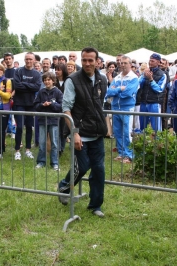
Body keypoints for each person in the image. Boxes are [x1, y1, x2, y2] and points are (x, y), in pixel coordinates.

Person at [58, 47, 108, 218]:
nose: (87, 63)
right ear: (81, 60)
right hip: (80, 133)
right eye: (84, 60)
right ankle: (64, 187)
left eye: (90, 60)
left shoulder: (102, 79)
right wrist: (74, 133)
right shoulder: (72, 80)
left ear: (97, 61)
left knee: (99, 170)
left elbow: (99, 106)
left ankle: (95, 205)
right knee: (82, 167)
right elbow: (66, 109)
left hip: (97, 133)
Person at [105, 56, 139, 163]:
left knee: (127, 132)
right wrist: (120, 89)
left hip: (127, 108)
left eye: (125, 63)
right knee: (117, 132)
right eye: (121, 63)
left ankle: (129, 155)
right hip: (115, 107)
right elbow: (109, 92)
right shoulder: (117, 78)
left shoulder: (133, 78)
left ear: (130, 64)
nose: (122, 65)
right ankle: (121, 153)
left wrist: (117, 91)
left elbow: (128, 93)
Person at [13, 52, 41, 160]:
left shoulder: (37, 74)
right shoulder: (18, 71)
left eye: (30, 59)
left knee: (29, 127)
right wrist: (30, 86)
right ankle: (17, 150)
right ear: (24, 60)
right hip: (19, 103)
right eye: (27, 59)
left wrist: (24, 84)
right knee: (19, 127)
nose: (28, 61)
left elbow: (37, 87)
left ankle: (28, 149)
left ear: (34, 60)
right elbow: (17, 86)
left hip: (31, 104)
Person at [33, 72, 63, 170]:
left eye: (49, 80)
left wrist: (51, 104)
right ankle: (41, 161)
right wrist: (42, 105)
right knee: (42, 142)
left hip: (54, 120)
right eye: (45, 80)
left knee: (54, 142)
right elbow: (36, 105)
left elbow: (61, 106)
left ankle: (54, 163)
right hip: (42, 120)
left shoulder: (58, 92)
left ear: (53, 81)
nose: (47, 82)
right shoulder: (41, 92)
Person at [138, 53, 167, 132]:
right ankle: (142, 142)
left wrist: (151, 80)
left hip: (154, 103)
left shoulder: (162, 75)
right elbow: (137, 84)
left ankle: (157, 143)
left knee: (156, 127)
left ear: (158, 62)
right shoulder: (145, 72)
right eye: (149, 61)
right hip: (143, 101)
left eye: (152, 61)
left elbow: (159, 89)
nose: (150, 62)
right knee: (142, 126)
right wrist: (144, 76)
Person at [55, 63, 69, 155]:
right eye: (55, 69)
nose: (56, 71)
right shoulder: (53, 81)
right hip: (55, 108)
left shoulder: (69, 81)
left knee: (63, 129)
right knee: (56, 129)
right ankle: (57, 147)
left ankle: (61, 148)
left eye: (58, 69)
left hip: (65, 109)